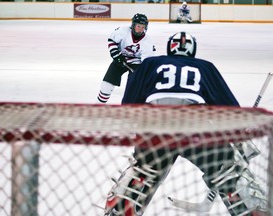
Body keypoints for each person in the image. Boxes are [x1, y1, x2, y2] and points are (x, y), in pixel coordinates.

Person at [104, 32, 267, 216]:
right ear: (193, 51)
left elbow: (129, 104)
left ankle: (122, 205)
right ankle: (249, 206)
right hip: (195, 128)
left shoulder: (150, 63)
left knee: (145, 170)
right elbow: (228, 108)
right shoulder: (205, 66)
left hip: (155, 127)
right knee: (226, 170)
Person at [96, 13, 156, 104]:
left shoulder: (147, 42)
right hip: (120, 59)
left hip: (136, 63)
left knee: (133, 87)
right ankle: (98, 105)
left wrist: (142, 72)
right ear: (133, 25)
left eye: (143, 27)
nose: (140, 29)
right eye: (138, 26)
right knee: (106, 85)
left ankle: (128, 107)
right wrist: (116, 55)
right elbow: (112, 41)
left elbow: (147, 61)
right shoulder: (123, 31)